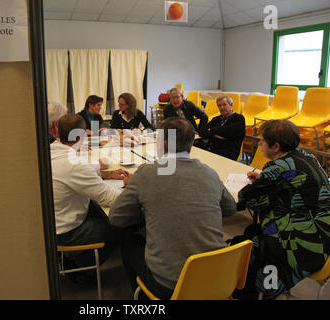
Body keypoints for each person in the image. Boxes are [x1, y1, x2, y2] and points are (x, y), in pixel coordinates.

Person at [109, 117, 236, 299]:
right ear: (192, 142)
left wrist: (143, 199)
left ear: (160, 142)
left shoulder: (147, 173)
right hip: (218, 279)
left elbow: (116, 218)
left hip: (171, 285)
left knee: (129, 242)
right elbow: (230, 208)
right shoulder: (209, 172)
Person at [235, 119, 330, 300]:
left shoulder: (277, 168)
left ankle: (268, 292)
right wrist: (264, 179)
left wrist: (264, 181)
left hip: (303, 247)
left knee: (247, 250)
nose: (260, 144)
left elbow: (245, 198)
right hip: (323, 236)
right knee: (250, 232)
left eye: (262, 140)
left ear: (276, 146)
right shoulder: (306, 156)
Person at [51, 114, 132, 270]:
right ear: (83, 136)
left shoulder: (52, 151)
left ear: (57, 130)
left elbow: (76, 176)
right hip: (67, 233)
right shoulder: (74, 164)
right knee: (122, 226)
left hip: (53, 222)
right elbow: (110, 198)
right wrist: (136, 186)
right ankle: (81, 268)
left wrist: (107, 175)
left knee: (99, 211)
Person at [200, 95, 245, 161]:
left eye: (224, 105)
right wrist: (217, 134)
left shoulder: (239, 119)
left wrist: (212, 131)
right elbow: (202, 132)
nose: (222, 108)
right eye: (219, 106)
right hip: (212, 148)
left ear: (231, 105)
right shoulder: (216, 119)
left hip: (229, 152)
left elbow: (229, 132)